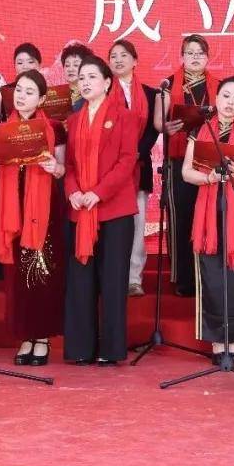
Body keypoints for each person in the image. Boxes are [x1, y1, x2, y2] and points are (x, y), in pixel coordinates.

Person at [63, 57, 140, 365]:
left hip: (114, 210)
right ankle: (81, 349)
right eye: (81, 77)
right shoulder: (73, 120)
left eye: (92, 77)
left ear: (108, 82)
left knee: (112, 281)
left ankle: (110, 349)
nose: (85, 82)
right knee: (80, 281)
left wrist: (98, 192)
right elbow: (69, 165)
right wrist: (73, 191)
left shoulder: (125, 116)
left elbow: (127, 161)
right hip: (81, 209)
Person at [180, 77, 234, 365]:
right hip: (209, 204)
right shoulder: (199, 130)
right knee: (212, 274)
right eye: (226, 96)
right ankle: (217, 341)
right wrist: (209, 178)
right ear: (215, 98)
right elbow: (186, 172)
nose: (230, 103)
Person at [0, 70, 66, 366]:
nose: (21, 96)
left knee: (42, 273)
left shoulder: (54, 128)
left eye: (29, 92)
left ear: (42, 99)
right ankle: (25, 336)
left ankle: (41, 337)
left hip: (44, 208)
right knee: (17, 278)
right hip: (12, 209)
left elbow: (63, 169)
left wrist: (54, 167)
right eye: (19, 90)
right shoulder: (1, 129)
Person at [155, 35, 218, 297]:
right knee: (181, 218)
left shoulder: (218, 86)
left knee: (209, 217)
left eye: (200, 53)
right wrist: (167, 127)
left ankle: (208, 276)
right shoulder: (168, 85)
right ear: (182, 56)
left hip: (209, 159)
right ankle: (182, 278)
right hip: (180, 158)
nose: (195, 57)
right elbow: (159, 123)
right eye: (190, 53)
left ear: (207, 57)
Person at [107, 39, 158, 297]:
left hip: (139, 165)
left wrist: (135, 152)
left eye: (124, 55)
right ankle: (111, 276)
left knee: (138, 224)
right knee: (112, 225)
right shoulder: (103, 91)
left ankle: (133, 278)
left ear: (135, 61)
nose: (118, 60)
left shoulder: (151, 94)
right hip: (109, 168)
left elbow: (152, 130)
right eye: (113, 56)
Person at [0, 42, 42, 117]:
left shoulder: (49, 91)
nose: (25, 67)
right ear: (15, 66)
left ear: (40, 66)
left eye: (30, 62)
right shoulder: (0, 93)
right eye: (20, 63)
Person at [61, 42, 93, 109]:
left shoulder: (92, 95)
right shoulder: (59, 96)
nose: (70, 69)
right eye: (67, 65)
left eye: (76, 65)